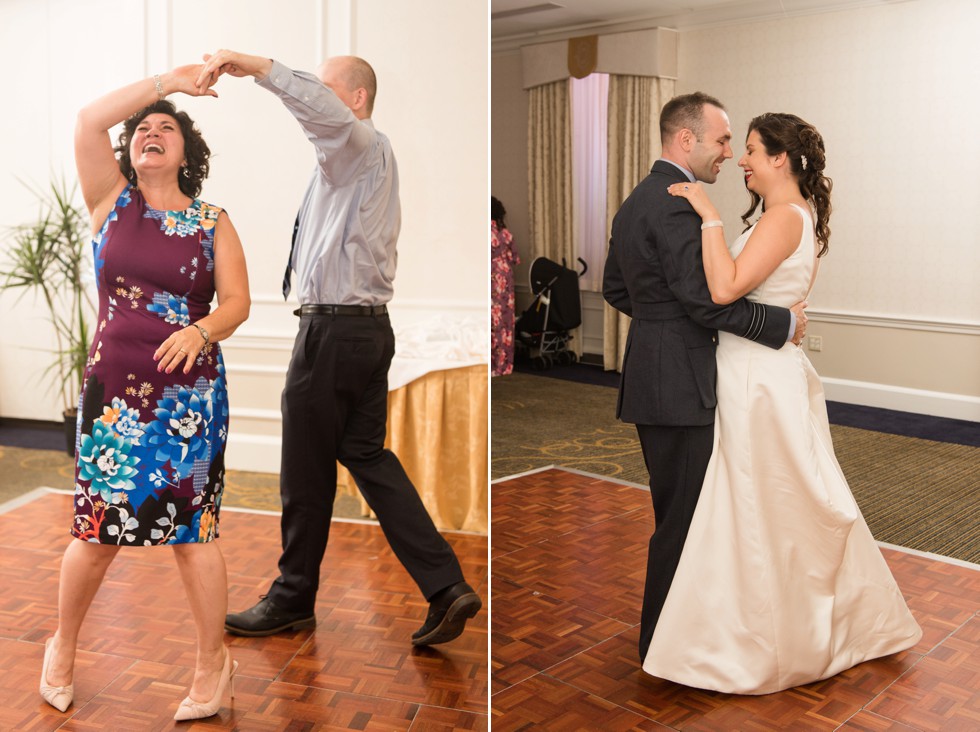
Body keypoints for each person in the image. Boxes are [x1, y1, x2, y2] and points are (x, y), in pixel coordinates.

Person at [194, 50, 482, 645]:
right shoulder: (357, 162)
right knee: (367, 455)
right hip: (368, 330)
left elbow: (318, 109)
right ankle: (446, 586)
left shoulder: (356, 146)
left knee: (304, 471)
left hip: (332, 334)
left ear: (355, 99)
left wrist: (256, 67)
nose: (319, 100)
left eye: (329, 91)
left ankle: (292, 598)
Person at [645, 112, 921, 694]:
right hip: (761, 369)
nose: (740, 161)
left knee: (757, 502)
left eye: (749, 150)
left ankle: (766, 638)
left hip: (755, 379)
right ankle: (772, 623)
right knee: (763, 503)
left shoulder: (781, 218)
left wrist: (710, 218)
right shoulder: (794, 215)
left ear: (780, 159)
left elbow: (722, 289)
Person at [40, 65, 249, 721]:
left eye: (167, 127)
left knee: (194, 536)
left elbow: (237, 303)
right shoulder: (111, 202)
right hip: (114, 399)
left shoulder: (213, 220)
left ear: (188, 152)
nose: (152, 132)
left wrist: (203, 329)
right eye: (143, 129)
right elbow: (87, 122)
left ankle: (213, 667)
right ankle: (62, 648)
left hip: (188, 403)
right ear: (130, 150)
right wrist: (169, 84)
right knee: (96, 534)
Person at [602, 92, 807, 660]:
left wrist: (659, 325)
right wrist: (783, 321)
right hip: (681, 383)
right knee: (683, 521)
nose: (727, 154)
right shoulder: (674, 204)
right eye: (721, 140)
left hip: (654, 374)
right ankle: (662, 646)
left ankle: (681, 637)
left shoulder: (635, 199)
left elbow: (615, 290)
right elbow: (707, 303)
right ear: (686, 140)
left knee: (680, 510)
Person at [491, 196, 520, 376]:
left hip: (491, 278)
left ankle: (491, 364)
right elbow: (515, 259)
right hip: (506, 280)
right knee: (505, 323)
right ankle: (504, 365)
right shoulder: (506, 234)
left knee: (491, 323)